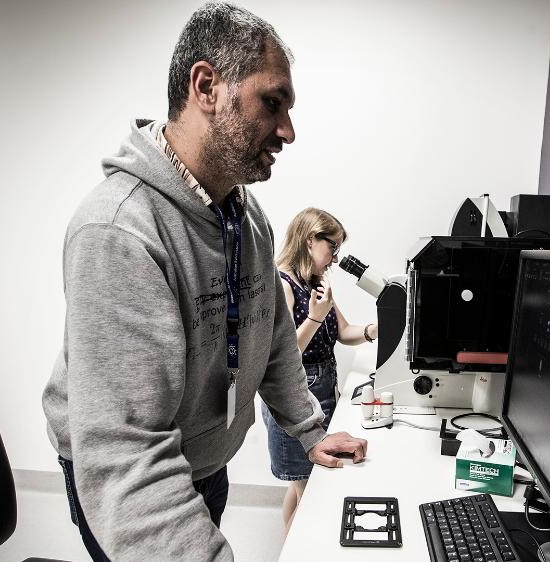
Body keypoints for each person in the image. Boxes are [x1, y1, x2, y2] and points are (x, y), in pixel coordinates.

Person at [40, 3, 367, 560]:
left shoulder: (246, 214)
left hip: (205, 461)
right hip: (129, 476)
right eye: (273, 103)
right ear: (206, 86)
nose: (287, 130)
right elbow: (128, 459)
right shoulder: (119, 231)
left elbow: (272, 336)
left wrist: (311, 431)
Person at [265, 208, 379, 532]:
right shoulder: (282, 284)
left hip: (322, 386)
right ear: (311, 239)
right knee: (307, 493)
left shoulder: (313, 282)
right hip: (295, 396)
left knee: (299, 485)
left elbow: (343, 331)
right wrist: (315, 316)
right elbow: (284, 354)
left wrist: (377, 328)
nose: (334, 258)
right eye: (332, 247)